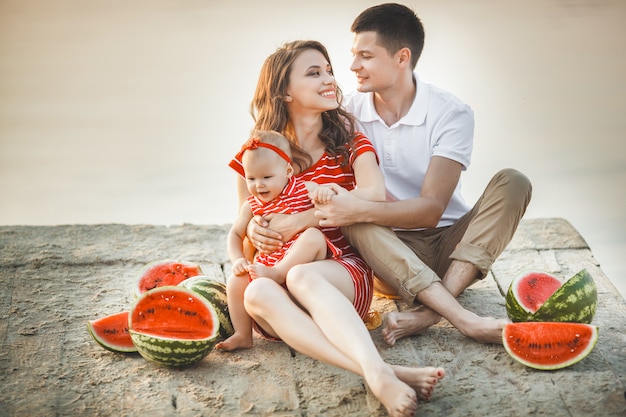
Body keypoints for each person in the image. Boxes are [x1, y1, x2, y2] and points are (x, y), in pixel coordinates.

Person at [230, 40, 445, 417]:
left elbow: (373, 194)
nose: (329, 79)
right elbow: (245, 221)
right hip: (278, 291)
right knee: (256, 292)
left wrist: (303, 219)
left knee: (301, 276)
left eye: (329, 70)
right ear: (283, 90)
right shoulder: (257, 154)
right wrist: (254, 235)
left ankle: (376, 375)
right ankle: (380, 370)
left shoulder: (349, 142)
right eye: (314, 73)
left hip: (339, 274)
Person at [322, 3, 532, 346]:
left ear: (401, 57)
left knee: (514, 181)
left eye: (366, 56)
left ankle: (432, 312)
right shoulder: (347, 116)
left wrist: (357, 208)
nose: (353, 66)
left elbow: (431, 209)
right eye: (353, 55)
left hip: (454, 247)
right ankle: (460, 315)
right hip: (389, 251)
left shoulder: (450, 113)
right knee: (356, 222)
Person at [217, 130, 339, 351]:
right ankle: (243, 334)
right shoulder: (252, 205)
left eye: (266, 177)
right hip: (268, 265)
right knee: (236, 280)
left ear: (287, 171)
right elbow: (235, 234)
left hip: (304, 261)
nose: (258, 185)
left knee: (313, 235)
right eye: (251, 178)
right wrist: (237, 260)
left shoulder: (304, 188)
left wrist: (323, 192)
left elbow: (332, 197)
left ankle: (280, 272)